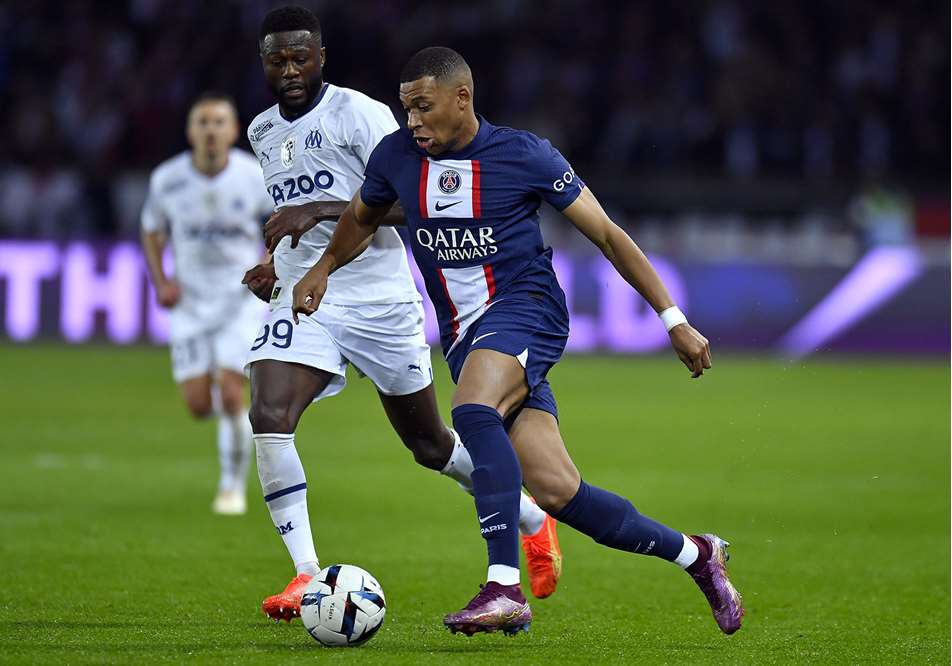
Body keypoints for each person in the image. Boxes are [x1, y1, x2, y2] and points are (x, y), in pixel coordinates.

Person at [292, 46, 744, 637]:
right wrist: (323, 266)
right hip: (463, 333)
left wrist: (673, 318)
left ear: (462, 98)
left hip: (526, 309)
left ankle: (503, 586)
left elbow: (607, 235)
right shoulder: (396, 157)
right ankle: (697, 555)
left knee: (472, 409)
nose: (413, 122)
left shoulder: (524, 154)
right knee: (560, 493)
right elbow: (362, 215)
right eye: (407, 110)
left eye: (424, 108)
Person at [240, 7, 561, 622]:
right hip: (308, 293)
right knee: (268, 412)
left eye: (299, 56)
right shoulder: (260, 131)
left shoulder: (360, 114)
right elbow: (286, 210)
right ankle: (307, 575)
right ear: (263, 62)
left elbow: (413, 201)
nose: (289, 69)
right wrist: (273, 262)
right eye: (277, 58)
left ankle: (530, 515)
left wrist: (321, 210)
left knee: (430, 444)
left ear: (321, 57)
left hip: (382, 299)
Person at [141, 92, 269, 515]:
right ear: (190, 131)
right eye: (203, 123)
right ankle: (231, 427)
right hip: (191, 303)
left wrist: (267, 266)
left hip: (239, 300)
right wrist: (161, 281)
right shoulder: (168, 179)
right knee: (198, 405)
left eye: (219, 123)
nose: (211, 130)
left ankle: (231, 487)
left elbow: (278, 224)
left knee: (232, 393)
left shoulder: (254, 175)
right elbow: (151, 231)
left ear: (233, 131)